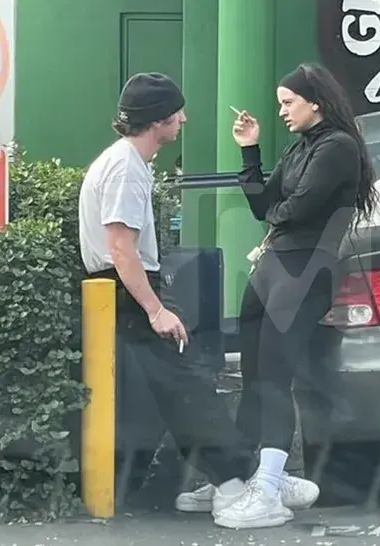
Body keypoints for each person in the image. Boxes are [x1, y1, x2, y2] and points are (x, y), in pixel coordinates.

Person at [78, 72, 318, 523]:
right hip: (128, 291)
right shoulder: (127, 168)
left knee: (180, 393)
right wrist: (154, 309)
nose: (184, 119)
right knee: (187, 392)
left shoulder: (123, 162)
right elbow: (120, 247)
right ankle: (236, 483)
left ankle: (237, 478)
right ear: (159, 120)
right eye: (177, 112)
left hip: (121, 290)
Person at [209, 63, 379, 529]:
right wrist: (250, 150)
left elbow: (296, 209)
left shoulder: (338, 147)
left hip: (305, 268)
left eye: (288, 102)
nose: (281, 110)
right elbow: (265, 207)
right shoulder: (300, 147)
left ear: (315, 102)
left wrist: (279, 213)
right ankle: (260, 472)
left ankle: (268, 486)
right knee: (254, 371)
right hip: (274, 267)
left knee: (275, 376)